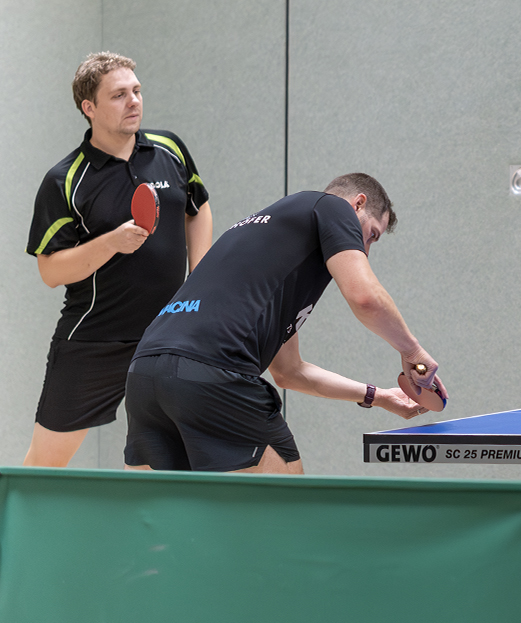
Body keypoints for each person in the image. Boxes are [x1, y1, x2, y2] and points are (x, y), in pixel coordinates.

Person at [123, 173, 444, 473]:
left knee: (158, 512)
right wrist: (412, 351)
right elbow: (365, 297)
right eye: (371, 235)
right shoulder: (333, 207)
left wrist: (377, 396)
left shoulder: (270, 246)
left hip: (144, 375)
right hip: (213, 371)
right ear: (357, 204)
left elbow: (290, 372)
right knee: (285, 504)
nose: (366, 250)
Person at [24, 52, 213, 467]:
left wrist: (198, 278)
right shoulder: (65, 180)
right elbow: (50, 271)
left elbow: (197, 207)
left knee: (156, 460)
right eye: (118, 95)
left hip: (165, 335)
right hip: (95, 339)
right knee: (45, 465)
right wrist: (111, 242)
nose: (134, 102)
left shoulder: (169, 149)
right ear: (88, 107)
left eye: (137, 91)